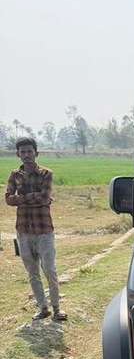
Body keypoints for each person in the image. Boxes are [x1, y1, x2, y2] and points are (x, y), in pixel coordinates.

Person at [5, 137, 66, 321]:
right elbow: (8, 199)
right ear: (18, 154)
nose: (26, 155)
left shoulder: (46, 174)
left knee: (49, 269)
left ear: (36, 153)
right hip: (23, 230)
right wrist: (34, 198)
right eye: (22, 152)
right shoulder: (14, 175)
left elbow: (45, 197)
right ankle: (42, 307)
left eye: (29, 151)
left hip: (44, 230)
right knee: (32, 272)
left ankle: (56, 309)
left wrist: (21, 198)